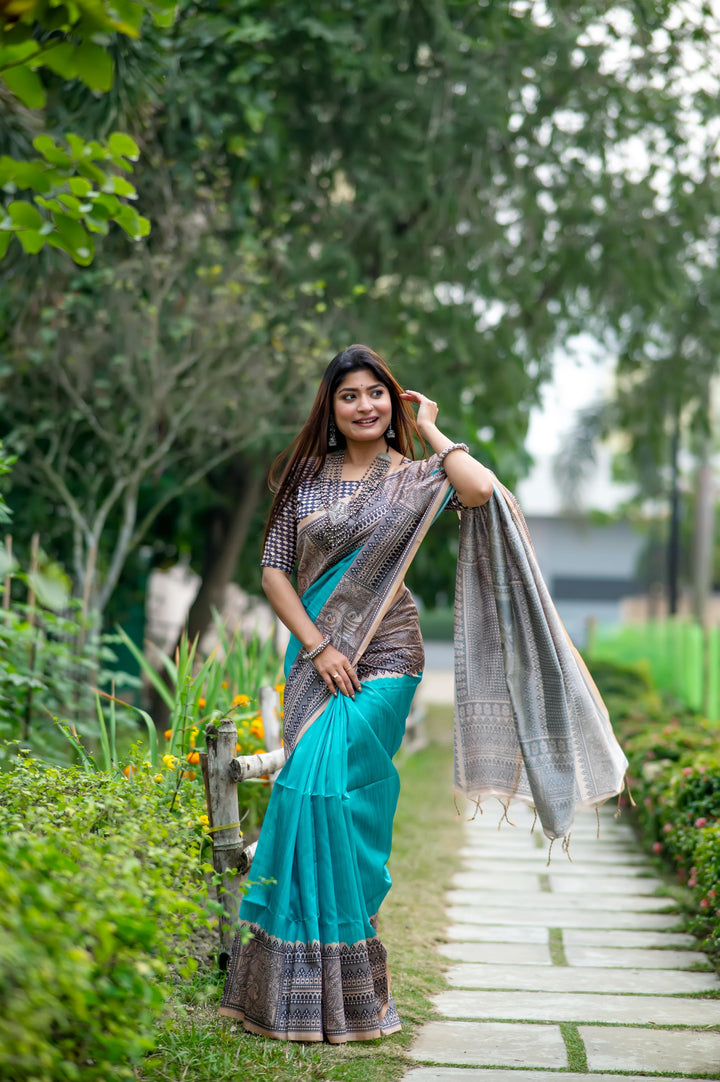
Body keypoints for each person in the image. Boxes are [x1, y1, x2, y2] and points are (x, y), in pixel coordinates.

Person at [218, 344, 627, 1043]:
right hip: (318, 652)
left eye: (377, 392)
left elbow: (479, 491)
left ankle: (341, 986)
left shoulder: (414, 475)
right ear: (332, 407)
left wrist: (435, 431)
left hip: (389, 651)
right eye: (350, 395)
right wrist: (320, 646)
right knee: (305, 793)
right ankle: (306, 986)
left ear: (393, 400)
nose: (366, 405)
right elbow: (274, 573)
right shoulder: (301, 479)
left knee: (326, 787)